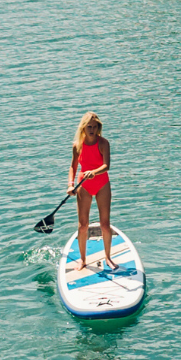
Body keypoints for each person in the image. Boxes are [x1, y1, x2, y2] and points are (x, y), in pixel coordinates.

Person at [69, 112, 113, 271]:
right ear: (83, 128)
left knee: (105, 224)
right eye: (89, 127)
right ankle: (82, 260)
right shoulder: (77, 145)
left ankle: (108, 257)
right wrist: (70, 184)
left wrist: (94, 172)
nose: (92, 130)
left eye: (95, 127)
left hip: (102, 184)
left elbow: (107, 166)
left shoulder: (103, 143)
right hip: (84, 186)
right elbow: (73, 167)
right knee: (82, 225)